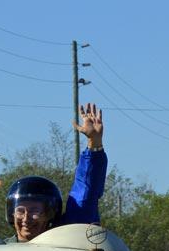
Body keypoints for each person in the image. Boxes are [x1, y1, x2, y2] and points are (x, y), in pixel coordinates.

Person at [6, 102, 107, 242]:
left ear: (49, 214)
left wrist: (94, 143)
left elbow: (85, 194)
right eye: (20, 210)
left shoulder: (63, 243)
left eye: (35, 210)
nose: (26, 218)